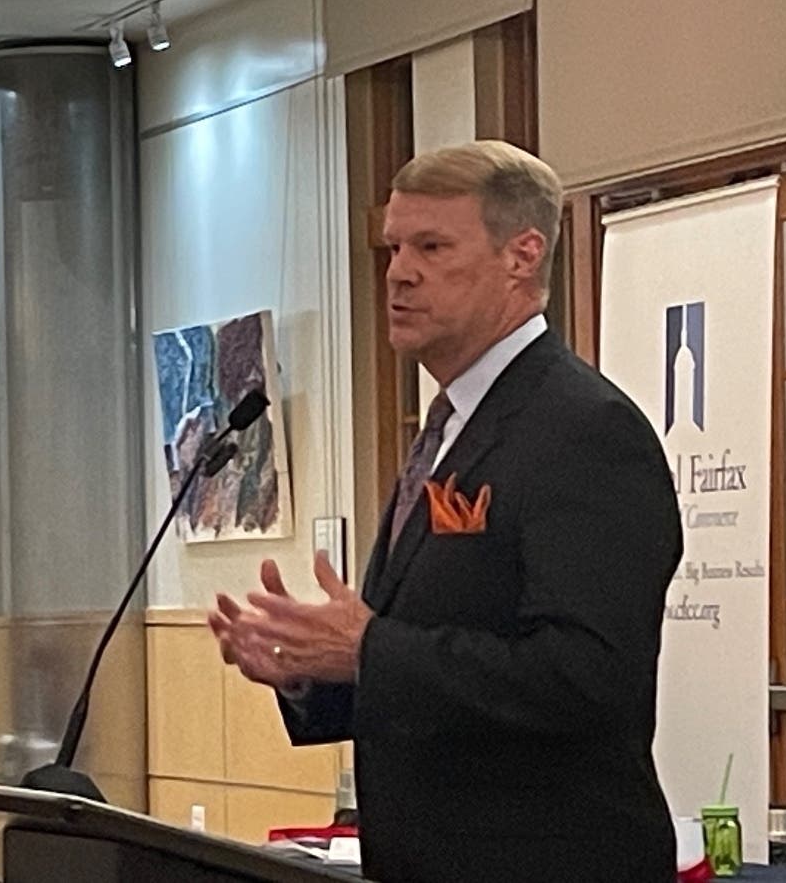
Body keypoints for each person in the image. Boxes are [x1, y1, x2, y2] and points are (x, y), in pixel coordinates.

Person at [208, 140, 682, 882]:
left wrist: (368, 649)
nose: (399, 272)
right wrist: (307, 672)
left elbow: (589, 676)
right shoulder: (451, 426)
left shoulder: (584, 430)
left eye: (431, 247)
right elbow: (424, 671)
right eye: (394, 248)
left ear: (522, 256)